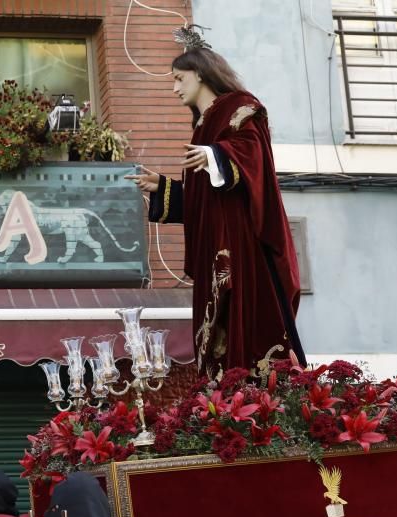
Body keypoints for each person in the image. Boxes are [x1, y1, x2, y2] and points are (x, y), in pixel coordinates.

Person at [126, 35, 305, 377]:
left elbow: (254, 155)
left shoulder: (240, 107)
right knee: (216, 332)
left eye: (179, 78)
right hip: (214, 247)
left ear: (202, 73)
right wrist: (165, 188)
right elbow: (205, 199)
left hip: (239, 243)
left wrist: (215, 155)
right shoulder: (202, 126)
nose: (175, 88)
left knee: (241, 320)